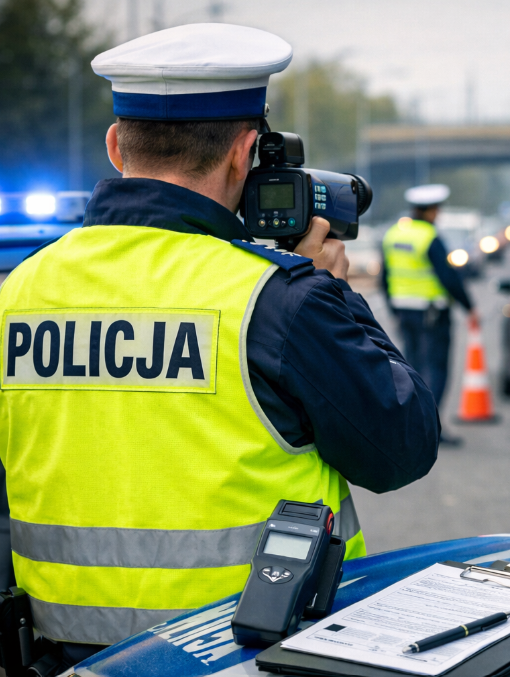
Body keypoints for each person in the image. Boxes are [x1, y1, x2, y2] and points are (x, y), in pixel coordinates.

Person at [0, 24, 439, 663]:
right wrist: (336, 296)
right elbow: (403, 448)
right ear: (245, 152)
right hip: (250, 654)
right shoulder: (279, 299)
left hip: (60, 656)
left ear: (117, 146)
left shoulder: (19, 293)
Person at [381, 185, 478, 445]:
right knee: (435, 369)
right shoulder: (428, 236)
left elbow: (385, 277)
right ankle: (430, 430)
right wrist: (469, 306)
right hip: (432, 315)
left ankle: (409, 425)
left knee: (410, 368)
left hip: (404, 312)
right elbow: (448, 277)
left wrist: (393, 309)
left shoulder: (393, 234)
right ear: (433, 211)